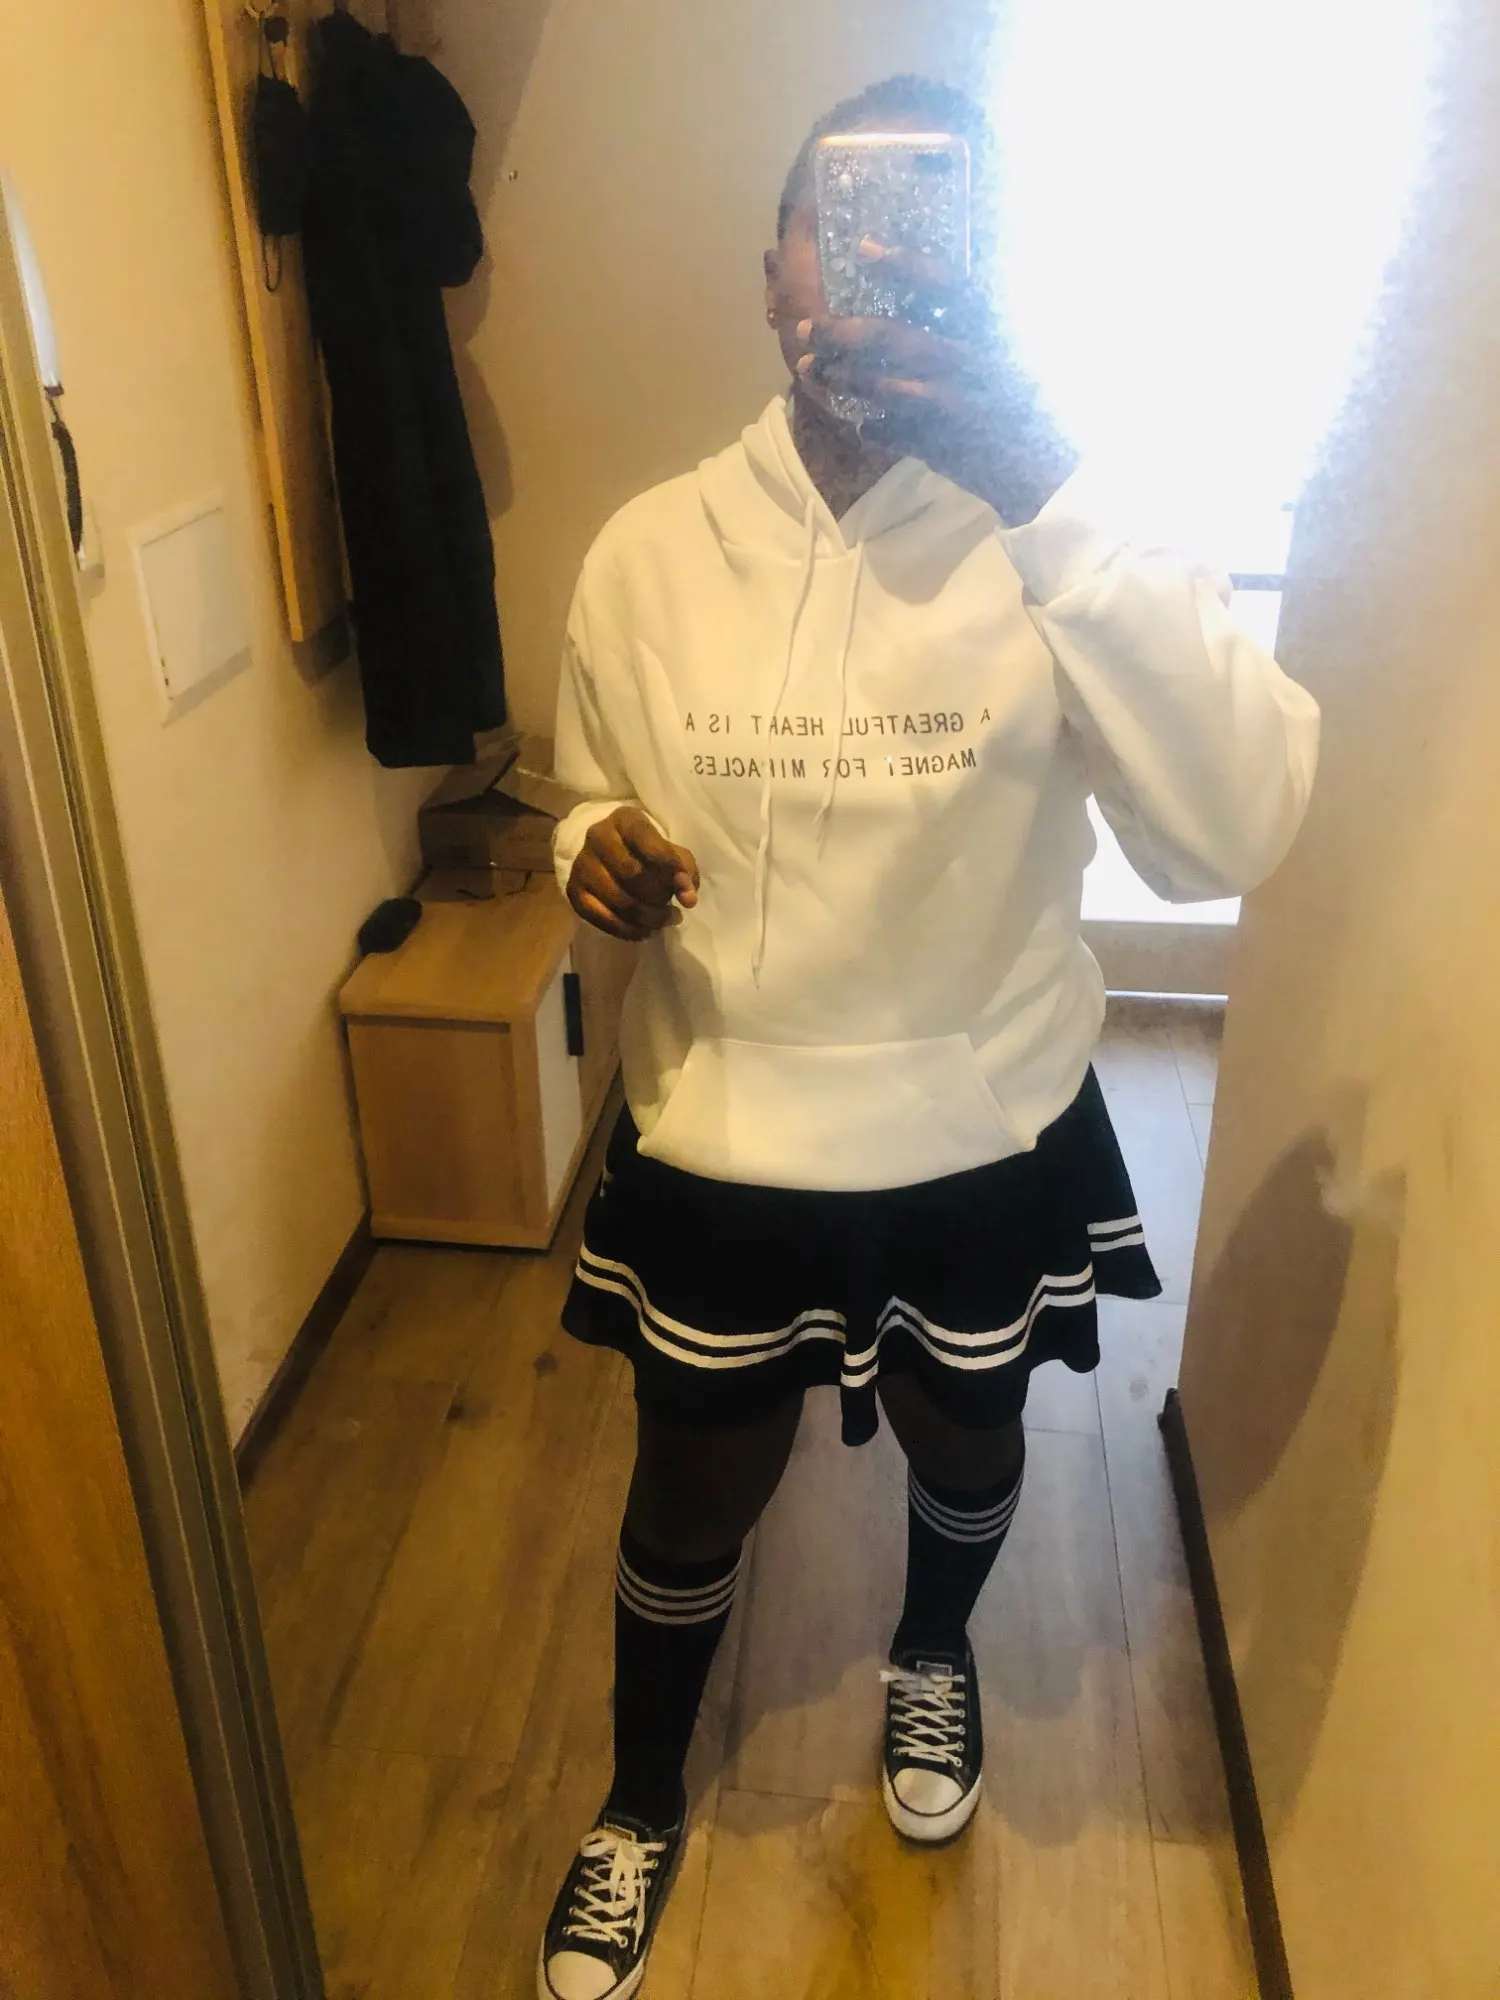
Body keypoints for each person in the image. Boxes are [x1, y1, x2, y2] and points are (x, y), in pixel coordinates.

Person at [536, 74, 1319, 2000]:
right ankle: (637, 1798)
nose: (877, 269)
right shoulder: (647, 551)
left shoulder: (1058, 539)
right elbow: (590, 780)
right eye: (844, 220)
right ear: (773, 271)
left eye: (937, 233)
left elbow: (1236, 827)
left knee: (973, 1431)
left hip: (983, 1125)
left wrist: (1042, 476)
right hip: (725, 1125)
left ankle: (932, 1649)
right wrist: (590, 844)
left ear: (991, 282)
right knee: (691, 1488)